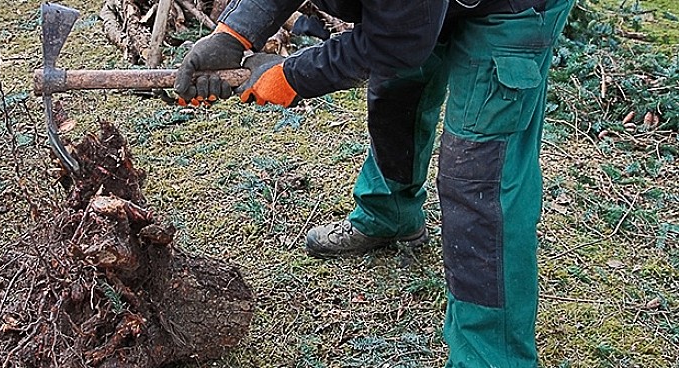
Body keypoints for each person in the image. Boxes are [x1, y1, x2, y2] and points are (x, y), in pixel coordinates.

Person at [174, 0, 573, 366]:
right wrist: (234, 34)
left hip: (511, 9)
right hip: (420, 9)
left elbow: (398, 42)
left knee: (480, 181)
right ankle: (390, 212)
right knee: (396, 92)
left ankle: (491, 358)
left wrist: (293, 75)